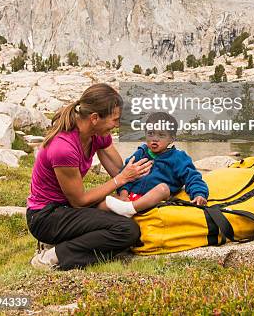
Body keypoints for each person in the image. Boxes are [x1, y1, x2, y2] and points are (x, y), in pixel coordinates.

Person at [26, 83, 153, 271]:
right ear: (94, 118)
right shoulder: (63, 147)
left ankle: (64, 244)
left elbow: (119, 169)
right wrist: (121, 180)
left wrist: (129, 191)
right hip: (46, 216)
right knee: (126, 230)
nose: (117, 126)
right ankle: (52, 257)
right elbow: (80, 200)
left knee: (126, 213)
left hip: (67, 208)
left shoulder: (97, 134)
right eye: (115, 120)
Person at [100, 111, 209, 218]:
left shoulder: (178, 158)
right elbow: (125, 175)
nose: (154, 139)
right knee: (102, 204)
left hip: (154, 201)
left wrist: (199, 194)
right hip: (130, 197)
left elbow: (193, 177)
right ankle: (126, 208)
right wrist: (123, 195)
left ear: (172, 138)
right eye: (151, 133)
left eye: (161, 135)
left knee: (163, 188)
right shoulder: (140, 153)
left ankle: (129, 209)